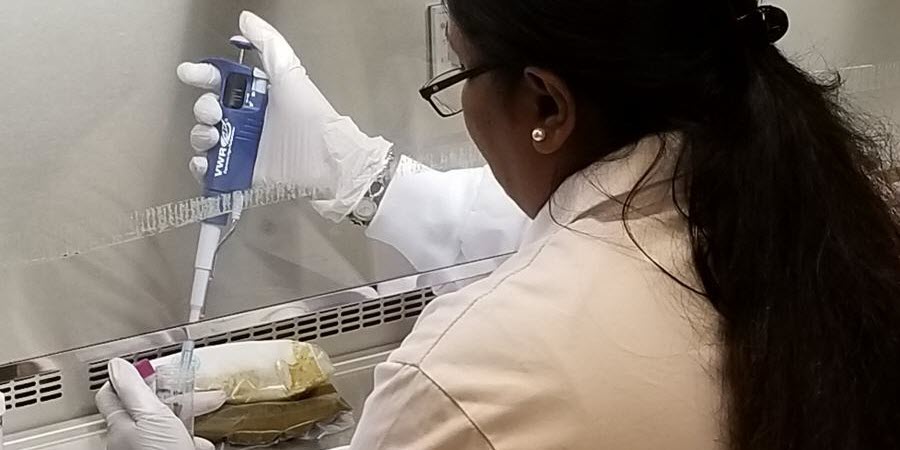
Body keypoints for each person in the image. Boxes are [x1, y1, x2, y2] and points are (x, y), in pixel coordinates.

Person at [97, 0, 900, 448]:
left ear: (547, 103)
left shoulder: (461, 377)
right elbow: (597, 247)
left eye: (459, 70)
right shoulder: (830, 218)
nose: (463, 101)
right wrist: (363, 176)